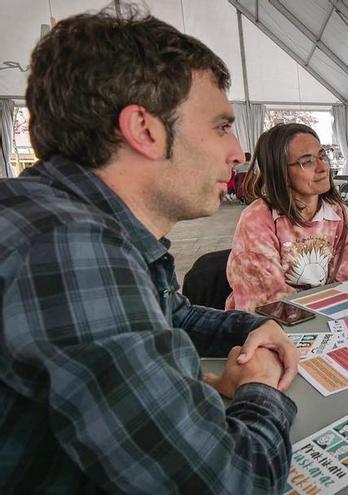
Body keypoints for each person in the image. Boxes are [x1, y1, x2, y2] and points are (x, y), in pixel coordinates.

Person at [0, 6, 300, 493]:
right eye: (222, 126)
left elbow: (170, 316)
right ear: (144, 129)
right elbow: (230, 482)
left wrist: (255, 324)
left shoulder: (76, 221)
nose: (239, 152)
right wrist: (260, 388)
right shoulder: (68, 246)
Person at [225, 123, 348, 312]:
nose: (323, 167)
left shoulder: (340, 215)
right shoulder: (258, 219)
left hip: (323, 317)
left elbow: (343, 282)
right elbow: (267, 301)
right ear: (281, 172)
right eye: (307, 161)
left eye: (322, 156)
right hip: (264, 324)